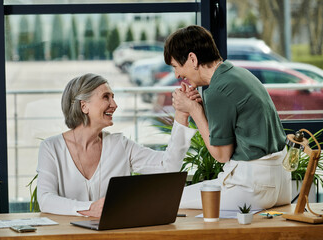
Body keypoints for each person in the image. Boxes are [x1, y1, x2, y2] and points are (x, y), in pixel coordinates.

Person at [164, 25, 291, 211]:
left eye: (176, 66)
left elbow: (221, 155)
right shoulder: (238, 74)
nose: (177, 75)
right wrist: (199, 108)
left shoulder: (217, 91)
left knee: (168, 200)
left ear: (192, 59)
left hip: (254, 189)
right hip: (280, 184)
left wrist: (193, 110)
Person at [37, 73, 196, 217]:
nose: (114, 104)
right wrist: (90, 208)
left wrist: (182, 115)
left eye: (113, 97)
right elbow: (45, 199)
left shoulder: (121, 145)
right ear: (84, 106)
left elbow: (168, 167)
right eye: (106, 97)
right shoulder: (51, 148)